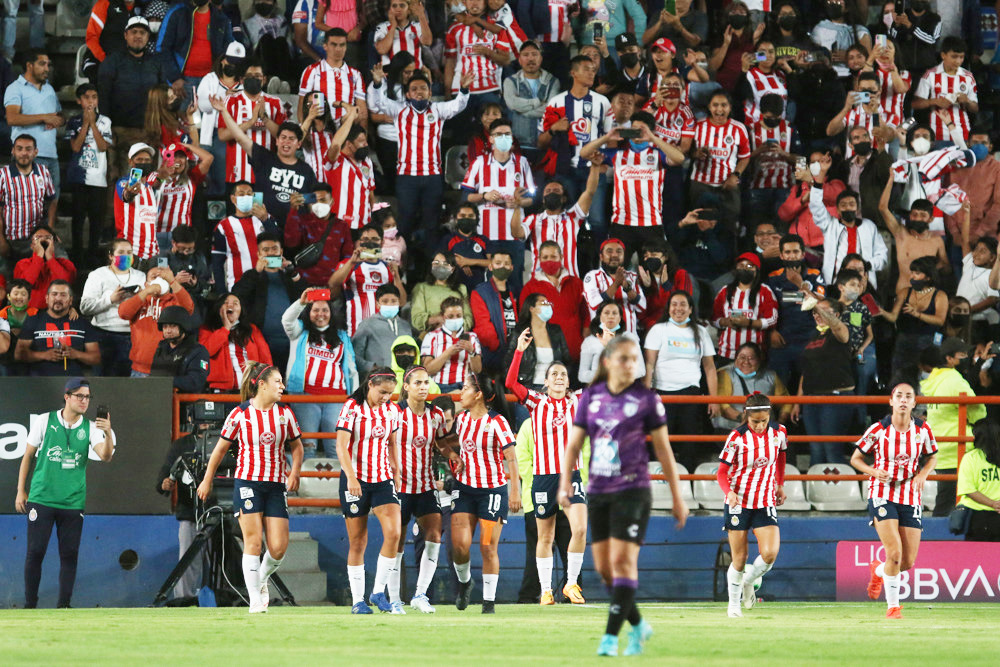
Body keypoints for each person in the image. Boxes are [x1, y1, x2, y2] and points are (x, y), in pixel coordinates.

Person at [560, 335, 688, 656]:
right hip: (599, 491)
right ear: (607, 362)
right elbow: (573, 445)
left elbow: (664, 450)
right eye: (624, 359)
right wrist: (565, 484)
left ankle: (609, 639)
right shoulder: (590, 397)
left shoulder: (647, 400)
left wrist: (677, 496)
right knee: (604, 569)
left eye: (635, 359)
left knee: (622, 561)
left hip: (633, 490)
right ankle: (639, 625)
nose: (631, 365)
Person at [197, 362, 304, 614]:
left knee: (278, 548)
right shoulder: (240, 414)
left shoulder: (285, 413)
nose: (283, 387)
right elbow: (220, 449)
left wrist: (295, 472)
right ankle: (255, 600)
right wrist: (206, 479)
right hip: (248, 483)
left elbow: (297, 446)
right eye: (278, 382)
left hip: (276, 485)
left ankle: (262, 578)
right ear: (262, 384)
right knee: (253, 542)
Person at [15, 378, 115, 608]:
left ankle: (64, 605)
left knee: (69, 554)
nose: (84, 401)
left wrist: (108, 434)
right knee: (35, 552)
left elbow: (106, 456)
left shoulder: (90, 428)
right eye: (79, 396)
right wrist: (21, 490)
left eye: (88, 397)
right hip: (41, 498)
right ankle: (30, 605)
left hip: (72, 502)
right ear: (66, 396)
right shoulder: (44, 421)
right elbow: (27, 456)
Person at [506, 329, 587, 605]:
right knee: (546, 536)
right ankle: (545, 590)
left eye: (563, 375)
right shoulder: (535, 402)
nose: (560, 378)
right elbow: (510, 382)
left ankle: (571, 584)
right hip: (543, 479)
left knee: (580, 529)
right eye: (554, 374)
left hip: (570, 476)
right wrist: (519, 350)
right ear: (545, 381)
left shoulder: (577, 401)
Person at [367, 66, 472, 262]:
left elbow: (458, 105)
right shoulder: (399, 110)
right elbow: (378, 102)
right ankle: (403, 264)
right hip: (407, 178)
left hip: (432, 177)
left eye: (423, 88)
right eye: (414, 89)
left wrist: (464, 90)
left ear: (430, 92)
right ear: (407, 93)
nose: (418, 91)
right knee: (405, 223)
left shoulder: (439, 110)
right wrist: (378, 83)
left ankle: (431, 266)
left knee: (432, 224)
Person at [852, 381, 937, 619]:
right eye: (898, 396)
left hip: (910, 493)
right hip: (882, 491)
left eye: (908, 396)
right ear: (891, 401)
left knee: (907, 562)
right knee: (895, 553)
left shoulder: (922, 429)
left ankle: (878, 571)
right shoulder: (878, 429)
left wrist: (922, 474)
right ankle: (893, 607)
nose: (903, 400)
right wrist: (873, 472)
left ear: (914, 402)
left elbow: (932, 457)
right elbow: (855, 458)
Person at [335, 367, 404, 614]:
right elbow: (341, 446)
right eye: (382, 392)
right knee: (357, 541)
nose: (386, 397)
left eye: (390, 393)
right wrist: (351, 477)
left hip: (382, 479)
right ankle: (357, 601)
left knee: (394, 533)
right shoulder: (352, 408)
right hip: (356, 480)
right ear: (370, 385)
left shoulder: (393, 411)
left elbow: (393, 442)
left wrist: (396, 469)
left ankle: (378, 591)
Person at [450, 372, 520, 614]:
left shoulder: (497, 422)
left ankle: (488, 603)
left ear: (478, 394)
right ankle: (465, 582)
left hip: (492, 491)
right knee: (459, 545)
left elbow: (511, 457)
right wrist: (455, 458)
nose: (461, 392)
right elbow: (449, 445)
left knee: (488, 546)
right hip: (464, 488)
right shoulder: (461, 420)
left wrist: (515, 492)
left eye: (465, 388)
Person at [579, 111, 685, 263]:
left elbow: (680, 158)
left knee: (653, 273)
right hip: (621, 225)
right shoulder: (617, 154)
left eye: (642, 130)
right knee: (614, 270)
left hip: (651, 224)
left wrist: (653, 138)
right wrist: (607, 137)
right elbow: (584, 153)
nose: (637, 133)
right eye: (634, 129)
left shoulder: (658, 155)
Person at [395, 365, 459, 613]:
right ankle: (393, 598)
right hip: (399, 487)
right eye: (418, 383)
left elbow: (442, 442)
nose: (423, 387)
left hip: (425, 485)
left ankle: (420, 594)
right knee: (396, 543)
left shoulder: (436, 416)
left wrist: (454, 455)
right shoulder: (393, 413)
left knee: (434, 536)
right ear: (407, 386)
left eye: (426, 383)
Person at [718, 392, 785, 618]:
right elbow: (721, 473)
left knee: (770, 554)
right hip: (739, 503)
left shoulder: (779, 433)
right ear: (746, 416)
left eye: (763, 421)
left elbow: (781, 458)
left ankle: (749, 582)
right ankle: (733, 605)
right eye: (754, 421)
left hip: (764, 501)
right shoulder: (736, 438)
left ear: (769, 416)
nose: (759, 426)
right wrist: (730, 493)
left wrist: (780, 484)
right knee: (739, 558)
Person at [539, 55, 613, 238]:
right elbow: (541, 142)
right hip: (565, 171)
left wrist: (606, 165)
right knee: (567, 221)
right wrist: (554, 129)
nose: (591, 73)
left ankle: (598, 264)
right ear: (573, 73)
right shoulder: (556, 102)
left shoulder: (602, 102)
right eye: (587, 69)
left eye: (594, 70)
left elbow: (611, 139)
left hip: (593, 171)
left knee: (597, 221)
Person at [212, 99, 318, 225]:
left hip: (293, 230)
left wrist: (299, 200)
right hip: (261, 226)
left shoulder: (306, 170)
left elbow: (313, 200)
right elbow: (240, 137)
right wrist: (224, 111)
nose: (286, 142)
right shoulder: (264, 158)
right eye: (283, 138)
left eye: (291, 139)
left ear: (299, 144)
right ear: (277, 141)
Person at [644, 290, 718, 468]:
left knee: (689, 441)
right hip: (662, 393)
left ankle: (688, 480)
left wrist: (714, 399)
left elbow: (709, 367)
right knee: (660, 440)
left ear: (691, 309)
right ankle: (659, 480)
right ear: (668, 308)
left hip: (690, 393)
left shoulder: (700, 331)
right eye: (674, 304)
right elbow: (649, 365)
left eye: (683, 304)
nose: (678, 308)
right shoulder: (658, 330)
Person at [461, 117, 534, 293]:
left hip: (514, 234)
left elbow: (531, 199)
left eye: (507, 134)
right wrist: (485, 196)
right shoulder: (479, 163)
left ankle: (515, 317)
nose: (504, 138)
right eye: (499, 134)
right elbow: (465, 196)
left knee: (514, 281)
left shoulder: (522, 163)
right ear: (491, 139)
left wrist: (518, 202)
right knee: (484, 282)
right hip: (486, 234)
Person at [97, 17, 166, 199]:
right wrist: (106, 128)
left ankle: (144, 221)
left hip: (147, 132)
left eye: (142, 33)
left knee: (147, 181)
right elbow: (103, 96)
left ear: (148, 37)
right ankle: (113, 225)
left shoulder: (156, 63)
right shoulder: (113, 61)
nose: (138, 36)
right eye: (134, 32)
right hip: (118, 132)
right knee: (116, 180)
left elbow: (162, 96)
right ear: (125, 35)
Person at [283, 289, 356, 458]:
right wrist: (301, 303)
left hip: (337, 399)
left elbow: (352, 369)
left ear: (331, 312)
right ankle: (305, 485)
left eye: (325, 310)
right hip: (305, 397)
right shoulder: (299, 332)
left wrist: (354, 397)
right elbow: (287, 320)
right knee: (307, 447)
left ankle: (340, 485)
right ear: (309, 312)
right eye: (315, 310)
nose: (320, 314)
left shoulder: (342, 336)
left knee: (336, 449)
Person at [920, 337, 986, 517]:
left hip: (943, 450)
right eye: (962, 354)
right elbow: (979, 413)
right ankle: (937, 541)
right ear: (949, 359)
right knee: (948, 504)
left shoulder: (936, 380)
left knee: (950, 500)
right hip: (958, 451)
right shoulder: (955, 382)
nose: (967, 357)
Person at [799, 167, 888, 288]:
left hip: (864, 282)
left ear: (858, 208)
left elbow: (882, 255)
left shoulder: (869, 226)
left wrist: (867, 265)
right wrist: (819, 181)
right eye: (843, 205)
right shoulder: (830, 225)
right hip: (836, 282)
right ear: (838, 209)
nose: (848, 208)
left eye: (852, 204)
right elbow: (816, 206)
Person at [231, 232, 304, 371]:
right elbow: (237, 295)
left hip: (290, 342)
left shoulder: (289, 277)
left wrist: (293, 273)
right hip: (261, 341)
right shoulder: (252, 276)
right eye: (265, 250)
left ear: (281, 251)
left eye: (274, 249)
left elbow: (307, 298)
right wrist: (256, 272)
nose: (271, 253)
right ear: (258, 254)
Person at [514, 166, 600, 280]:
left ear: (564, 198)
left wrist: (595, 167)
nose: (552, 193)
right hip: (540, 280)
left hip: (569, 281)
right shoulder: (533, 219)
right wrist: (516, 207)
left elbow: (589, 192)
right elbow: (517, 233)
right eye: (548, 191)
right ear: (543, 199)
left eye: (556, 191)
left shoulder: (573, 216)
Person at [80, 238, 146, 376]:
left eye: (129, 252)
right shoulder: (98, 275)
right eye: (121, 252)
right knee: (104, 382)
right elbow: (85, 307)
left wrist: (142, 299)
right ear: (111, 255)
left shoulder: (140, 276)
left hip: (133, 336)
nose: (126, 256)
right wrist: (111, 299)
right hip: (104, 336)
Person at [766, 234, 825, 388]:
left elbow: (821, 306)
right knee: (778, 387)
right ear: (781, 255)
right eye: (787, 252)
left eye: (795, 252)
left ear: (803, 254)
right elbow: (765, 308)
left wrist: (801, 284)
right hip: (782, 340)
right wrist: (770, 332)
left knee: (809, 386)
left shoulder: (814, 275)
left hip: (809, 338)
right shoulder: (773, 277)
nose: (792, 256)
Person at [3, 49, 63, 199]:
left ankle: (50, 224)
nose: (47, 69)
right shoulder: (15, 88)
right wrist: (44, 118)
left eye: (48, 65)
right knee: (28, 201)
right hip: (28, 155)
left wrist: (58, 120)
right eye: (42, 64)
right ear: (29, 65)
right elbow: (12, 118)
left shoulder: (49, 88)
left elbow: (60, 115)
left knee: (52, 200)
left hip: (51, 154)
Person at [328, 224, 407, 337]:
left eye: (375, 239)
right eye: (365, 239)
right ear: (358, 242)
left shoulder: (388, 268)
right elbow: (332, 283)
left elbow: (402, 302)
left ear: (382, 242)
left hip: (383, 334)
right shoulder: (349, 264)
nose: (370, 243)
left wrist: (397, 277)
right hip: (356, 331)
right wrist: (352, 262)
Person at [216, 61, 285, 188]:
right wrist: (251, 122)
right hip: (237, 176)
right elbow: (222, 135)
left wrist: (264, 118)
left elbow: (283, 137)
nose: (254, 79)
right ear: (242, 80)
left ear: (264, 79)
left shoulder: (275, 103)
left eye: (258, 76)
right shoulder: (230, 101)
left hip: (268, 176)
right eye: (249, 76)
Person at [118, 266, 195, 378]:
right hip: (140, 370)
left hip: (169, 369)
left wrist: (171, 281)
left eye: (163, 277)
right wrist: (147, 291)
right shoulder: (140, 301)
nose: (159, 280)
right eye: (154, 277)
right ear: (146, 283)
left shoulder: (174, 301)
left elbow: (188, 308)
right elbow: (123, 313)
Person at [880, 256, 948, 379]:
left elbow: (940, 320)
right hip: (904, 339)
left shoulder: (940, 295)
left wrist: (918, 314)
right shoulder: (905, 292)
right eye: (911, 272)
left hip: (928, 340)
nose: (912, 276)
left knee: (925, 377)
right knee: (899, 375)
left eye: (917, 273)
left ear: (928, 277)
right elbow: (893, 317)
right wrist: (882, 312)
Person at [65, 83, 112, 262]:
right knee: (77, 219)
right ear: (79, 100)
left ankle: (92, 255)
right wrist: (85, 123)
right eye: (86, 97)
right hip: (78, 177)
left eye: (94, 97)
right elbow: (76, 147)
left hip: (98, 179)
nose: (91, 101)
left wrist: (93, 123)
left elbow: (103, 146)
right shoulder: (74, 121)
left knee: (96, 220)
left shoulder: (105, 121)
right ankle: (77, 255)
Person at [689, 91, 751, 228]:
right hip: (700, 184)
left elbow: (745, 157)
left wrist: (736, 175)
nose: (719, 109)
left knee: (728, 226)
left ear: (730, 107)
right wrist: (696, 153)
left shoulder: (739, 128)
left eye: (724, 105)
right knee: (701, 226)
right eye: (715, 105)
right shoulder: (698, 126)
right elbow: (687, 151)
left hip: (727, 185)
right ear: (709, 107)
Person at [16, 281, 100, 377]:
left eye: (63, 295)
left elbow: (96, 358)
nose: (58, 298)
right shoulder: (33, 320)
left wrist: (75, 354)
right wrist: (44, 355)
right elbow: (19, 354)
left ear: (70, 300)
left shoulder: (83, 323)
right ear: (47, 298)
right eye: (54, 294)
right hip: (40, 382)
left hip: (73, 382)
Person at [521, 242, 588, 363]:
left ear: (561, 257)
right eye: (545, 257)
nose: (549, 261)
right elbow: (524, 321)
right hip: (545, 356)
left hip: (576, 353)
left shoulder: (576, 283)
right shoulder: (530, 288)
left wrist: (585, 338)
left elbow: (586, 314)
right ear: (539, 259)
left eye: (553, 257)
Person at [283, 183, 354, 287]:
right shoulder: (301, 221)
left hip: (331, 285)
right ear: (308, 203)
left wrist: (338, 281)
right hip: (304, 284)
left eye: (323, 200)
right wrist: (293, 210)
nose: (318, 204)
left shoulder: (341, 225)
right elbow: (290, 243)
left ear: (332, 202)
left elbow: (348, 257)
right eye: (314, 201)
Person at [712, 253, 778, 362]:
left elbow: (772, 320)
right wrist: (725, 322)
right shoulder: (725, 291)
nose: (744, 269)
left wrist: (749, 323)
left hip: (754, 354)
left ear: (756, 270)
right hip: (726, 352)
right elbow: (713, 318)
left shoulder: (765, 291)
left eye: (749, 266)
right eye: (741, 265)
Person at [200, 292, 273, 391]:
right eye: (226, 303)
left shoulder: (252, 329)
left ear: (241, 310)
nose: (230, 306)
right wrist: (226, 328)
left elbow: (265, 358)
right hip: (221, 391)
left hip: (251, 391)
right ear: (219, 308)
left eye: (235, 303)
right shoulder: (208, 329)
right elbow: (206, 351)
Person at [297, 28, 368, 128]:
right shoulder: (311, 71)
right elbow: (302, 105)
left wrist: (362, 139)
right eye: (334, 45)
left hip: (346, 131)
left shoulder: (356, 75)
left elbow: (362, 112)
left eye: (342, 45)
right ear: (325, 46)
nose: (338, 49)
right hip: (320, 131)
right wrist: (303, 132)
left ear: (346, 47)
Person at [714, 342, 791, 432]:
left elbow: (786, 401)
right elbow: (722, 405)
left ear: (759, 359)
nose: (746, 362)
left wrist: (780, 422)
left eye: (751, 358)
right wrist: (744, 417)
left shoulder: (771, 376)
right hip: (732, 429)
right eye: (742, 357)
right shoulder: (725, 373)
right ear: (736, 358)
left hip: (765, 431)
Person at [0, 135, 56, 257]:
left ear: (35, 152)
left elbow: (52, 201)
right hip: (11, 240)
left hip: (37, 240)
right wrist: (1, 240)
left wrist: (50, 230)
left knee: (62, 264)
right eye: (19, 149)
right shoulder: (3, 175)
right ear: (13, 151)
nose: (24, 153)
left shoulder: (43, 172)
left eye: (28, 149)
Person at [912, 37, 977, 142]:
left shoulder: (968, 76)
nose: (958, 61)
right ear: (943, 55)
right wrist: (934, 101)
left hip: (963, 134)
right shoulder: (930, 74)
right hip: (937, 135)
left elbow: (976, 108)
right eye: (954, 57)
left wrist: (967, 101)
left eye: (961, 57)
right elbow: (915, 104)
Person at [502, 41, 558, 156]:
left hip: (545, 144)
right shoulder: (510, 81)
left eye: (534, 54)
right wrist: (538, 102)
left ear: (541, 58)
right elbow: (512, 104)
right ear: (519, 60)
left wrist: (522, 111)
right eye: (526, 55)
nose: (530, 58)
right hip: (517, 144)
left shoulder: (553, 82)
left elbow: (550, 109)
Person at [583, 238, 645, 336]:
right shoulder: (592, 276)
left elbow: (642, 306)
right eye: (609, 251)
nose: (615, 255)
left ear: (624, 256)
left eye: (619, 252)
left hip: (629, 339)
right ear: (601, 256)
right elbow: (594, 305)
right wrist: (616, 284)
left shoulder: (632, 277)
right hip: (602, 339)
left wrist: (628, 289)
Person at [470, 250, 519, 374]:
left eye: (506, 263)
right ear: (490, 266)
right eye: (498, 263)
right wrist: (499, 349)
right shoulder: (480, 292)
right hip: (493, 355)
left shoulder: (515, 290)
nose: (502, 266)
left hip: (517, 352)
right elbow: (483, 328)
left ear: (511, 268)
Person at [421, 296, 483, 392]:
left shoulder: (472, 337)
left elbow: (477, 370)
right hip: (439, 387)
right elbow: (427, 370)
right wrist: (448, 353)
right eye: (450, 316)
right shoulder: (431, 336)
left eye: (458, 316)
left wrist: (472, 351)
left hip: (464, 386)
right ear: (443, 316)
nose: (455, 319)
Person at [114, 142, 161, 260]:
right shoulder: (123, 182)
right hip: (130, 251)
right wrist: (130, 193)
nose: (144, 163)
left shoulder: (150, 187)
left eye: (147, 160)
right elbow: (126, 195)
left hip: (153, 252)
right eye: (139, 159)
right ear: (130, 161)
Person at [579, 302, 645, 384]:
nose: (611, 316)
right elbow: (582, 375)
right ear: (599, 317)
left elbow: (641, 370)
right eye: (606, 313)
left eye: (614, 313)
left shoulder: (630, 338)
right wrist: (604, 375)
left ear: (620, 318)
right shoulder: (590, 341)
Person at [409, 253, 472, 338]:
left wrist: (452, 326)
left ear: (452, 269)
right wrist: (438, 320)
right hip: (430, 337)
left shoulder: (461, 288)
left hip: (457, 338)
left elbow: (468, 319)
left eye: (445, 264)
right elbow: (416, 319)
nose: (440, 267)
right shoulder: (421, 288)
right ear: (431, 266)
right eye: (436, 263)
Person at [956, 419, 1000, 541]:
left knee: (977, 557)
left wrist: (992, 504)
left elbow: (969, 490)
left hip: (977, 516)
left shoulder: (970, 458)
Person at [352, 284, 412, 373]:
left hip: (402, 380)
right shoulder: (367, 324)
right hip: (377, 380)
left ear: (399, 302)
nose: (390, 304)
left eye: (394, 301)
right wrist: (371, 367)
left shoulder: (406, 326)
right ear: (377, 304)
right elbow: (354, 355)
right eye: (385, 301)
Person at [149, 305, 210, 393]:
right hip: (160, 399)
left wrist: (164, 381)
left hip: (187, 402)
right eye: (165, 327)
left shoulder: (198, 351)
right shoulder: (161, 349)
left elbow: (195, 381)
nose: (168, 331)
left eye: (173, 326)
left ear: (183, 326)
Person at [13, 226, 76, 310]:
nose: (43, 241)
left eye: (48, 238)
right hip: (30, 313)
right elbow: (24, 287)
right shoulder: (22, 264)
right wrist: (39, 257)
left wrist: (50, 257)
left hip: (57, 313)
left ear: (54, 243)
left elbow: (65, 283)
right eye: (38, 238)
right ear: (31, 245)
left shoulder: (66, 264)